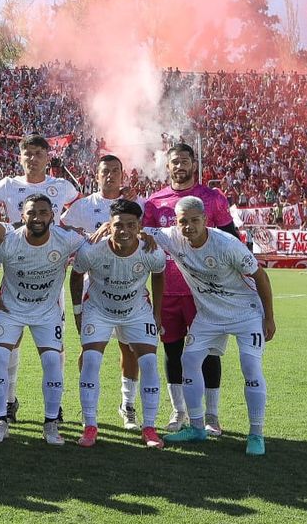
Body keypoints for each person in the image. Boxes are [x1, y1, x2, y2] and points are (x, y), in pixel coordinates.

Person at [151, 196, 277, 456]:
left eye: (194, 220)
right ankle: (197, 428)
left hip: (245, 313)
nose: (189, 227)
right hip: (209, 316)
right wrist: (107, 227)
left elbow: (261, 277)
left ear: (205, 220)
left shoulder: (227, 244)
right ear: (176, 222)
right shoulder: (172, 238)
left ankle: (256, 433)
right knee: (189, 360)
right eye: (183, 221)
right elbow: (137, 230)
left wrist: (269, 317)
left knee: (251, 366)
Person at [142, 143, 238, 435]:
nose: (180, 166)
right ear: (168, 166)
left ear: (194, 164)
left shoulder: (212, 198)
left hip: (205, 293)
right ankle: (178, 411)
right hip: (168, 291)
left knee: (208, 353)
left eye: (185, 161)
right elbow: (144, 240)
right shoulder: (154, 202)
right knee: (172, 352)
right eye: (175, 161)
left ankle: (211, 415)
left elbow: (231, 239)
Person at [0, 194, 85, 444]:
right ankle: (0, 420)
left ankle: (51, 423)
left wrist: (105, 229)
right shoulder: (11, 241)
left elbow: (94, 243)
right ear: (23, 216)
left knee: (53, 361)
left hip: (46, 312)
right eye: (32, 213)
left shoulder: (66, 239)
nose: (37, 218)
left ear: (52, 215)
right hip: (10, 309)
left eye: (43, 212)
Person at [70, 200, 167, 449]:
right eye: (118, 225)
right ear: (109, 225)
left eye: (131, 225)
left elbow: (159, 276)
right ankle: (90, 425)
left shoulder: (151, 251)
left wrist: (156, 313)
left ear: (140, 226)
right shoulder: (92, 250)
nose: (124, 231)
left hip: (136, 311)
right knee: (91, 360)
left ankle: (149, 427)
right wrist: (78, 312)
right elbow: (76, 276)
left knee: (149, 362)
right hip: (98, 310)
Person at [63, 154, 144, 429]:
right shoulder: (83, 206)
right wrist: (86, 239)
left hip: (129, 286)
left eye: (115, 171)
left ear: (123, 175)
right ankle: (89, 407)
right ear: (96, 175)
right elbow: (62, 229)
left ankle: (128, 405)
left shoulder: (136, 204)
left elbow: (148, 233)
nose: (110, 175)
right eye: (105, 171)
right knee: (90, 349)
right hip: (93, 288)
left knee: (129, 347)